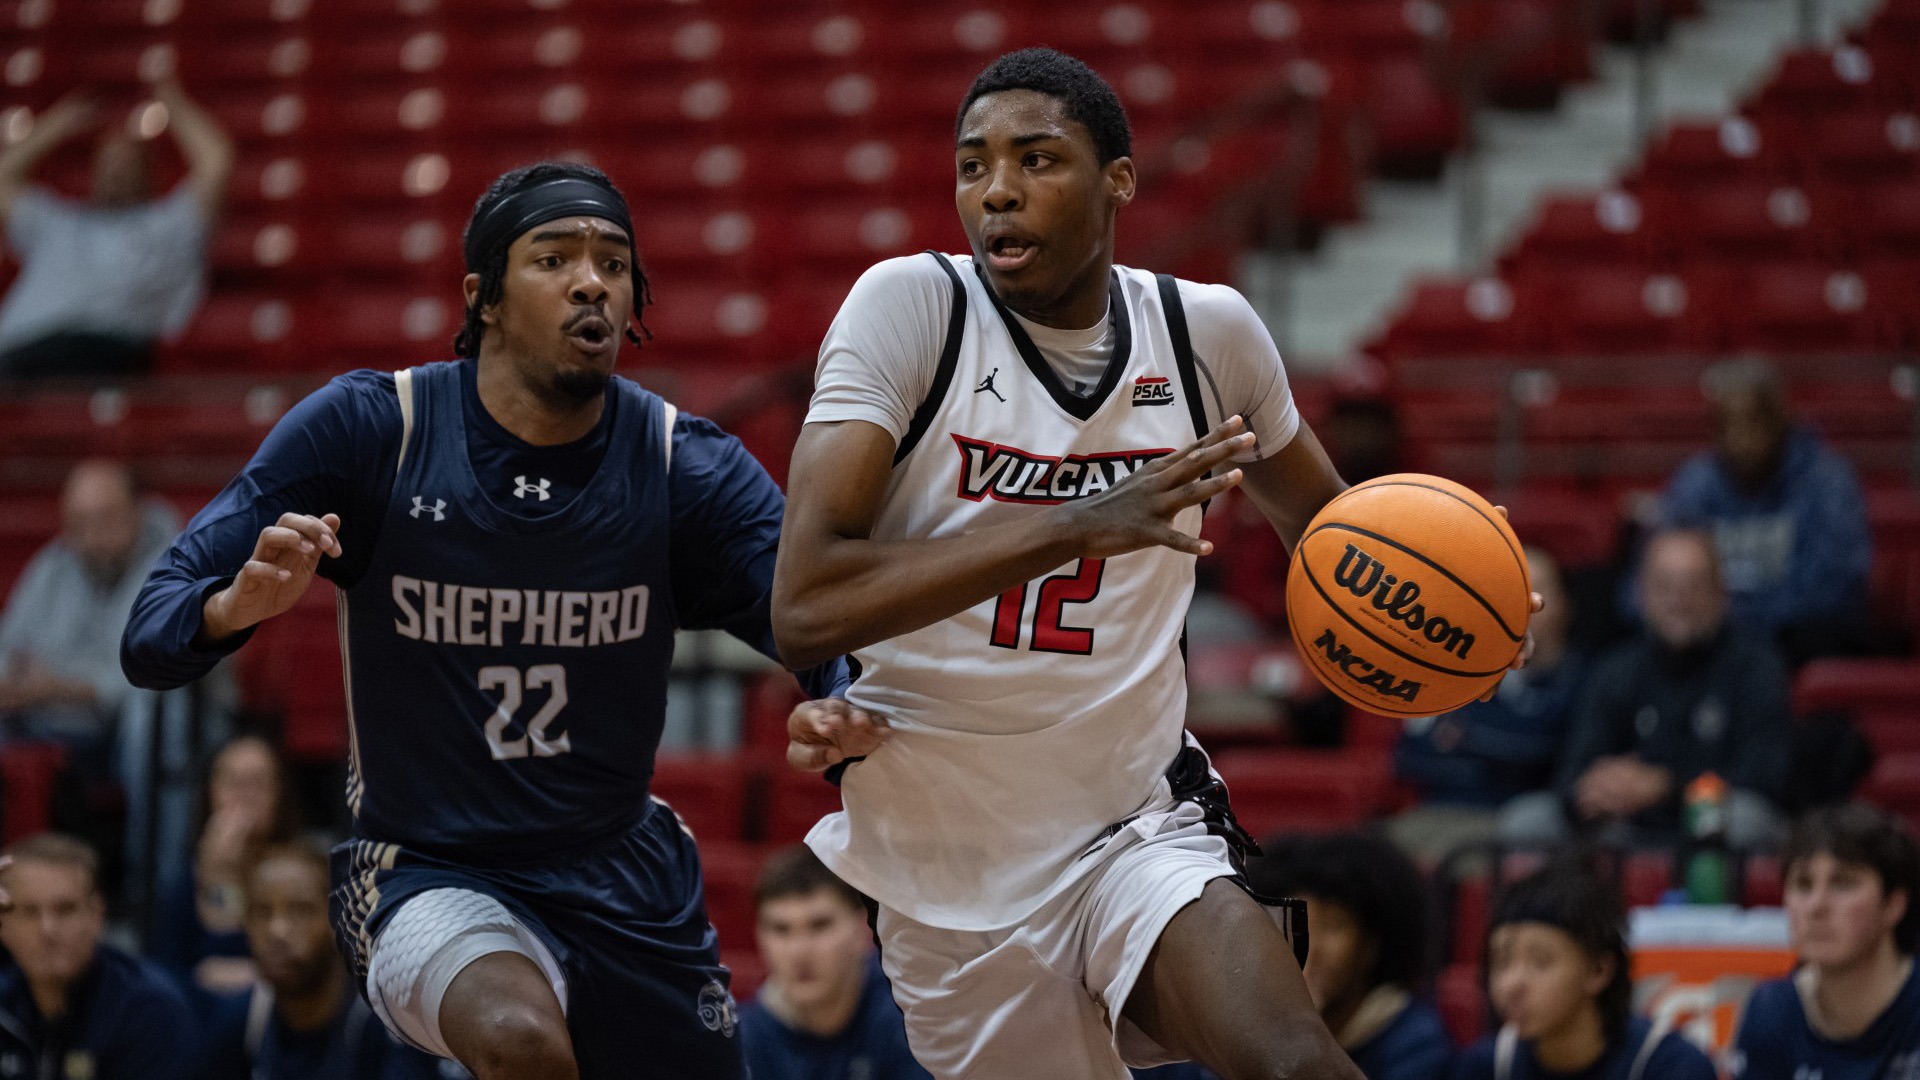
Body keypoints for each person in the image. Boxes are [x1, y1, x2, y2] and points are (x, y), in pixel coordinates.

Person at [772, 48, 1537, 1080]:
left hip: (1133, 823)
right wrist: (1077, 522)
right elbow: (807, 605)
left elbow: (1346, 542)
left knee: (1296, 1059)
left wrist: (1467, 606)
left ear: (1118, 180)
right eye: (973, 165)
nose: (997, 190)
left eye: (1037, 159)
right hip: (948, 870)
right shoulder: (911, 310)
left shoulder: (1206, 336)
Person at [121, 161, 847, 1080]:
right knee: (518, 1042)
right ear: (485, 297)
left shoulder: (681, 464)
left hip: (620, 870)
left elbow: (820, 620)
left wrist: (844, 701)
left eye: (614, 264)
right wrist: (232, 608)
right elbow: (150, 629)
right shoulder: (371, 429)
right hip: (424, 865)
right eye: (556, 257)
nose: (593, 280)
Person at [1501, 529, 1790, 849]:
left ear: (1721, 593)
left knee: (1745, 818)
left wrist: (1666, 787)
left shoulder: (1756, 666)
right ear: (1642, 595)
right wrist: (1597, 788)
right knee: (1528, 819)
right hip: (1624, 822)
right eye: (1665, 586)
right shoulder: (1616, 667)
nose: (1679, 600)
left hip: (1706, 824)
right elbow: (1571, 772)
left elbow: (1766, 777)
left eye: (1693, 586)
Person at [0, 460, 227, 778]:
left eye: (105, 518)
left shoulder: (179, 562)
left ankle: (158, 830)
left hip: (150, 726)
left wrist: (60, 687)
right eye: (78, 523)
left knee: (151, 713)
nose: (91, 536)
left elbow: (149, 671)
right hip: (62, 721)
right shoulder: (55, 563)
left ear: (136, 511)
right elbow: (10, 644)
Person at [0, 80, 232, 377]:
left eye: (126, 163)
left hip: (100, 358)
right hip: (15, 356)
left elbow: (216, 161)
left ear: (148, 172)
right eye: (107, 162)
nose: (115, 173)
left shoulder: (169, 223)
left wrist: (171, 101)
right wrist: (58, 123)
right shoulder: (55, 220)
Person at [1660, 358, 1871, 664]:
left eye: (1753, 421)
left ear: (1782, 419)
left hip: (1797, 646)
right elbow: (1645, 585)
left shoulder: (1827, 482)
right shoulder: (1694, 483)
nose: (1742, 439)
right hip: (1709, 650)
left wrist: (1744, 622)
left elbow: (1833, 589)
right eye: (1729, 424)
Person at [1392, 547, 1587, 863]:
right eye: (1512, 590)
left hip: (1512, 819)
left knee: (1469, 855)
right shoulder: (1462, 666)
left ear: (1566, 604)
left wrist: (1469, 736)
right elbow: (1409, 756)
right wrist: (1502, 748)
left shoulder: (1583, 677)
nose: (1524, 604)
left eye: (1538, 591)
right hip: (1436, 811)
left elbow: (1544, 749)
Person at [202, 840, 458, 1079]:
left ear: (341, 921)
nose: (277, 930)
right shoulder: (239, 1021)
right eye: (262, 912)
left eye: (301, 910)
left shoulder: (388, 1026)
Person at [1450, 860, 1717, 1080]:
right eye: (1502, 961)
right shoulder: (1485, 1067)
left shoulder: (1671, 1067)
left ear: (1598, 970)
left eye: (1541, 962)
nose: (1512, 983)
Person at [1729, 803, 1918, 1080]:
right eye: (1803, 885)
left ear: (1893, 905)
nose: (1817, 906)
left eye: (1843, 883)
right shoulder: (1771, 1012)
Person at [1254, 832, 1453, 1080]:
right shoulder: (1244, 1026)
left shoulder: (1416, 1044)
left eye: (1333, 926)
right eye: (1294, 923)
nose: (1310, 948)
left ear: (1372, 945)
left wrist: (1304, 1033)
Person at [0, 833, 198, 1080]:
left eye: (65, 909)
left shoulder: (150, 1011)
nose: (47, 929)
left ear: (96, 914)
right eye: (30, 912)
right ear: (3, 924)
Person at [738, 845, 930, 1080]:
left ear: (863, 930)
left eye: (820, 925)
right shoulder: (744, 1036)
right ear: (759, 937)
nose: (799, 951)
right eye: (781, 929)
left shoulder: (910, 1016)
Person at [149, 733, 301, 992]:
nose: (246, 797)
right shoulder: (185, 884)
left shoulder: (302, 877)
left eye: (257, 783)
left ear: (280, 795)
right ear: (210, 794)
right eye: (233, 783)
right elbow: (167, 976)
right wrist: (221, 879)